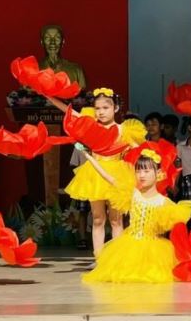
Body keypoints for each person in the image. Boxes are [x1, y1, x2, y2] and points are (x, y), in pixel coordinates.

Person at [45, 87, 143, 256]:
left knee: (116, 220)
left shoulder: (124, 130)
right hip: (95, 174)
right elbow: (70, 112)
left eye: (105, 107)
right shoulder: (90, 125)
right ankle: (99, 258)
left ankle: (117, 259)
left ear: (115, 108)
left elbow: (141, 151)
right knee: (98, 219)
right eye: (97, 108)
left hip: (117, 175)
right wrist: (48, 96)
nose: (101, 112)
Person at [85, 147, 191, 284]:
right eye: (138, 171)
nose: (141, 175)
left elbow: (179, 232)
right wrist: (89, 158)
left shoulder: (164, 202)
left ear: (158, 173)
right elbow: (109, 178)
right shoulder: (134, 194)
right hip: (130, 245)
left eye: (146, 171)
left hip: (154, 250)